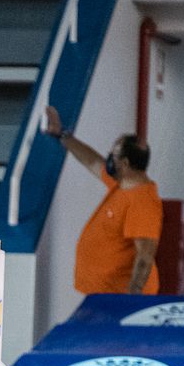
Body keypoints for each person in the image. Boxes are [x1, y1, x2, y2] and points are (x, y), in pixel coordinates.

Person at [40, 106, 162, 297]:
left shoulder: (142, 201)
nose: (109, 159)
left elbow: (145, 255)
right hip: (102, 294)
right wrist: (62, 135)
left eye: (113, 155)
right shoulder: (122, 183)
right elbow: (92, 161)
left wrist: (131, 298)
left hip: (118, 299)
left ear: (125, 164)